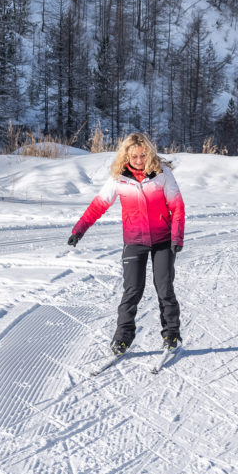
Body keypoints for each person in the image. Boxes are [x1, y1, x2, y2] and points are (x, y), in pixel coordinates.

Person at [68, 132, 185, 356]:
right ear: (126, 156)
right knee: (132, 291)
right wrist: (79, 229)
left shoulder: (162, 174)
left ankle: (171, 333)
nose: (139, 160)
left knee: (164, 288)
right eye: (134, 156)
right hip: (134, 241)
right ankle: (122, 338)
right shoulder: (119, 178)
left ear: (149, 153)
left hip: (163, 241)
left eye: (143, 155)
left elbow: (177, 206)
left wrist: (177, 237)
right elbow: (98, 205)